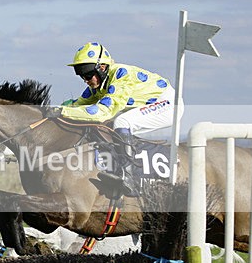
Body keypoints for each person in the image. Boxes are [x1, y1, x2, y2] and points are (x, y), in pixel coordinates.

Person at [54, 41, 183, 196]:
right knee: (115, 122)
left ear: (102, 67)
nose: (85, 80)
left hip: (168, 104)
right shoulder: (99, 84)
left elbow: (101, 113)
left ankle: (128, 177)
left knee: (122, 122)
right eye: (81, 75)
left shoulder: (121, 75)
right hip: (154, 103)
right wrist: (51, 110)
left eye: (88, 74)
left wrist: (62, 111)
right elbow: (76, 105)